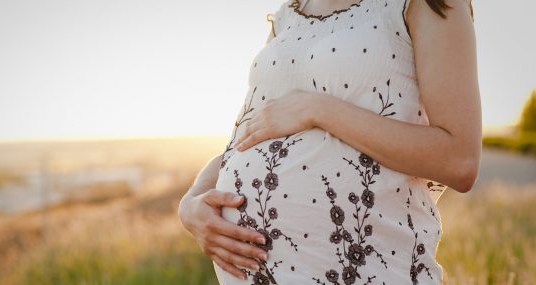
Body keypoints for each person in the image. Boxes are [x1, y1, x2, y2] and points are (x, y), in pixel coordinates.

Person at [178, 0, 480, 283]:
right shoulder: (289, 14)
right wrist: (191, 204)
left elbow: (459, 159)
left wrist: (318, 109)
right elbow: (247, 136)